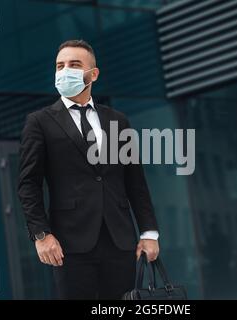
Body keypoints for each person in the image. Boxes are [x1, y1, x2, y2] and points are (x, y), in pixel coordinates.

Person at [18, 39, 160, 300]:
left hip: (119, 240)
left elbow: (135, 181)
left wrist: (149, 232)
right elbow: (28, 183)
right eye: (60, 66)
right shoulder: (39, 122)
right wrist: (41, 234)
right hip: (69, 243)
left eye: (74, 64)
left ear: (92, 74)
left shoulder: (117, 119)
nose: (65, 71)